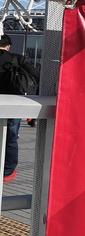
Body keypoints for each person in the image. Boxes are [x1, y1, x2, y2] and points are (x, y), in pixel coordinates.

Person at [0, 35, 39, 182]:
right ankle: (7, 172)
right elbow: (35, 74)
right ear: (8, 46)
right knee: (11, 138)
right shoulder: (16, 59)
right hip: (12, 104)